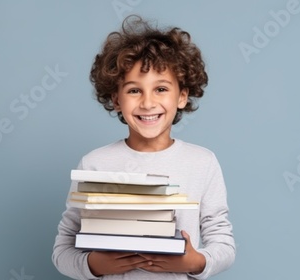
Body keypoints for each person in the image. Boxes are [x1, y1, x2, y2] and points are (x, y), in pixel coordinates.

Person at [52, 15, 235, 279]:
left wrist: (196, 262)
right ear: (116, 99)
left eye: (161, 89)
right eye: (134, 91)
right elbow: (63, 249)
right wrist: (95, 265)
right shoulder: (95, 163)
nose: (148, 103)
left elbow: (223, 244)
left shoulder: (202, 162)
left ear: (182, 96)